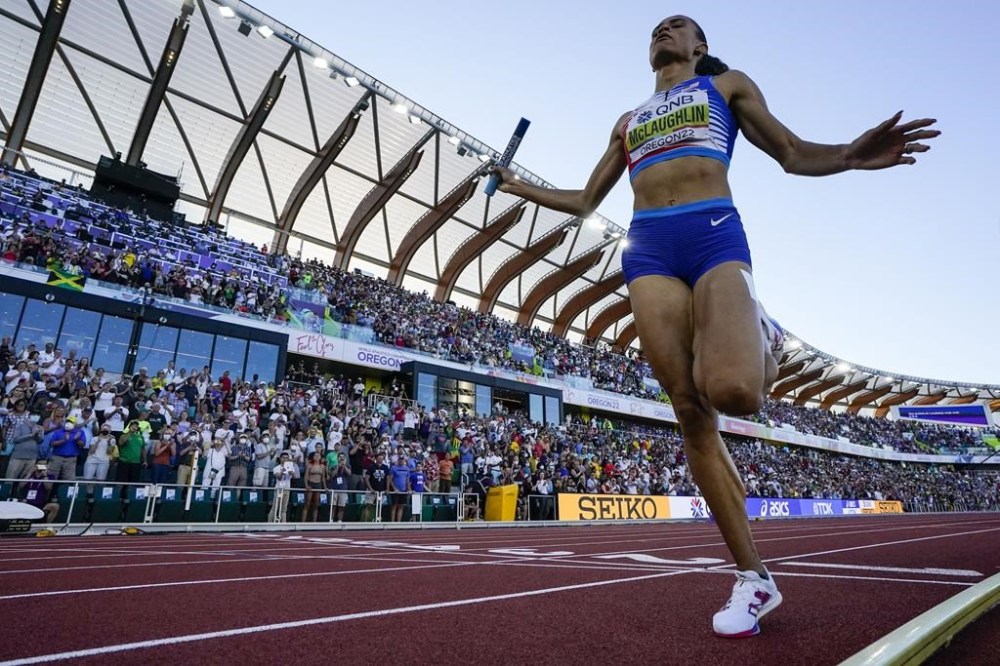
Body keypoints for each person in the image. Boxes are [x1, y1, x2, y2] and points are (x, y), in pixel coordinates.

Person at [490, 14, 938, 638]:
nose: (665, 28)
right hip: (648, 249)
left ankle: (762, 333)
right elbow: (586, 201)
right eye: (657, 25)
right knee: (689, 410)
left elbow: (789, 152)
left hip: (713, 235)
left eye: (680, 25)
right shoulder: (627, 121)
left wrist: (849, 156)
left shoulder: (725, 87)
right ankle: (754, 578)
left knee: (736, 393)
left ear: (699, 45)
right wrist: (521, 187)